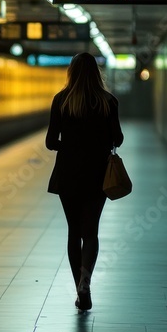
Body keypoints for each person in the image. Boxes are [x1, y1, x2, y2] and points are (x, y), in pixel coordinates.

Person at [45, 52, 124, 312]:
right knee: (90, 232)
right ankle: (86, 282)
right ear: (96, 72)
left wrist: (69, 144)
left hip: (68, 172)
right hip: (97, 173)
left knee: (73, 232)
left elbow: (50, 142)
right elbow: (118, 138)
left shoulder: (61, 100)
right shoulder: (108, 101)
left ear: (71, 72)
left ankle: (78, 287)